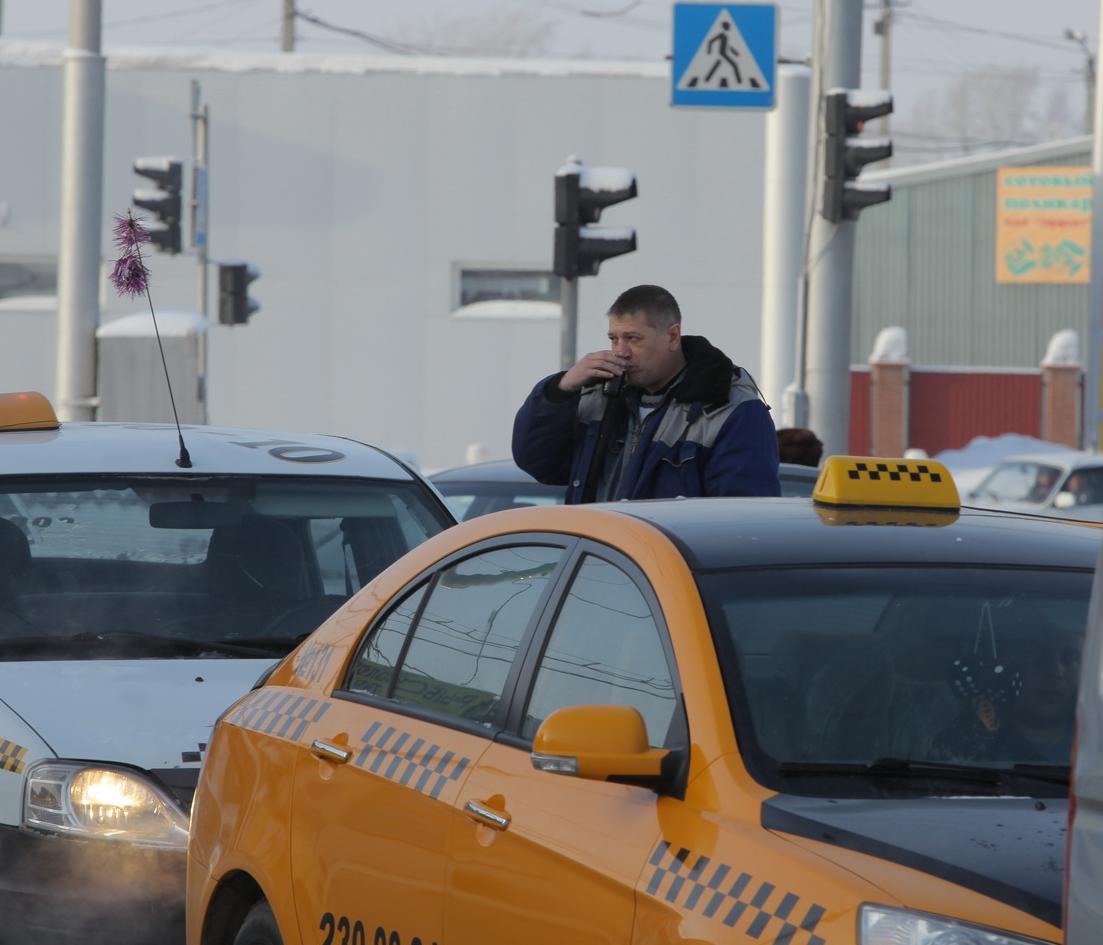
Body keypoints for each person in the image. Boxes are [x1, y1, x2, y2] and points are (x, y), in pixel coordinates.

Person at [512, 284, 780, 503]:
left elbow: (743, 518)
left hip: (669, 567)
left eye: (633, 338)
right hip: (599, 563)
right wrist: (560, 390)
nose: (620, 351)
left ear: (673, 336)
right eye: (613, 338)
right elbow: (538, 463)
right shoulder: (599, 395)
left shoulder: (729, 409)